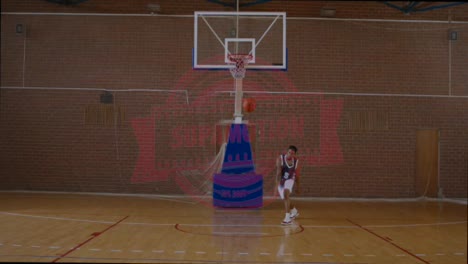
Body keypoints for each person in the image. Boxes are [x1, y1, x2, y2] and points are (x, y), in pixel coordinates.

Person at [276, 145, 300, 225]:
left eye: (292, 153)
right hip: (282, 179)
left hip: (290, 179)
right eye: (289, 152)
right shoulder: (280, 158)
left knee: (286, 196)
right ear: (287, 152)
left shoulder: (296, 161)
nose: (290, 154)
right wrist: (277, 182)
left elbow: (297, 175)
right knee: (285, 198)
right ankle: (294, 211)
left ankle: (287, 218)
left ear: (294, 154)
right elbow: (278, 171)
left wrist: (298, 186)